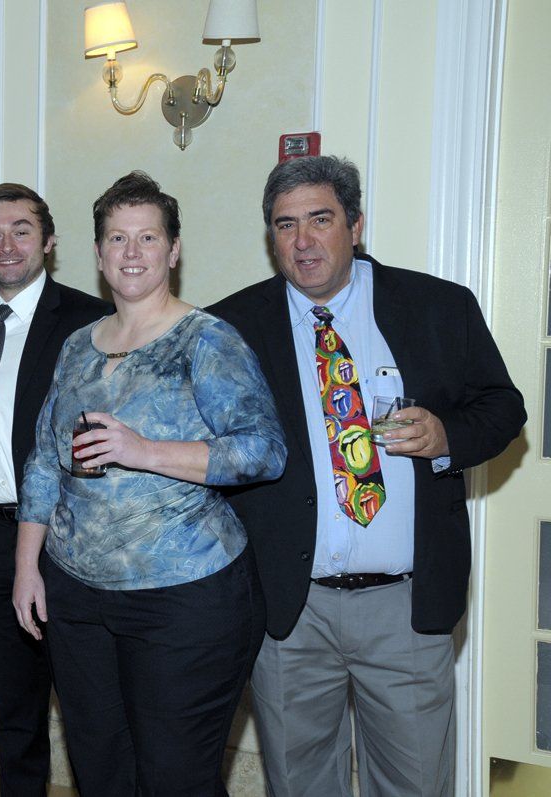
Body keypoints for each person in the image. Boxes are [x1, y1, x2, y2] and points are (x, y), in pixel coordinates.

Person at [209, 155, 526, 795]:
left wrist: (444, 436)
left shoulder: (437, 306)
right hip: (290, 613)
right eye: (285, 225)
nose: (303, 241)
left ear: (354, 224)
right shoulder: (233, 328)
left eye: (320, 220)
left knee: (414, 783)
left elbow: (503, 408)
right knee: (300, 786)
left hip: (404, 608)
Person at [13, 172, 287, 796]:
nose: (132, 252)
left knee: (174, 777)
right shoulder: (77, 347)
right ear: (100, 253)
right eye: (117, 238)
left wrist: (144, 450)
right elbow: (43, 462)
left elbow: (264, 452)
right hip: (77, 596)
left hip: (185, 599)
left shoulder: (208, 341)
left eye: (147, 237)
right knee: (101, 770)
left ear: (174, 249)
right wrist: (28, 568)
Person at [0, 183, 109, 795]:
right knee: (15, 711)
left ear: (49, 241)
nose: (7, 244)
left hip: (67, 538)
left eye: (21, 229)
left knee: (89, 708)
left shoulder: (87, 319)